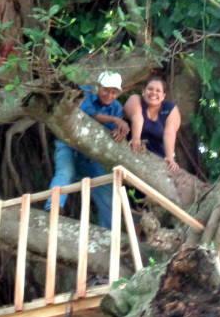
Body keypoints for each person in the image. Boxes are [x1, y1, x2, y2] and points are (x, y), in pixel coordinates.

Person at [45, 71, 129, 228]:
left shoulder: (116, 108)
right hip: (68, 145)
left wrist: (118, 132)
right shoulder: (84, 92)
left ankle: (110, 230)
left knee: (105, 186)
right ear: (98, 86)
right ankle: (53, 209)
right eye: (106, 90)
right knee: (65, 173)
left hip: (91, 155)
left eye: (114, 92)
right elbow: (87, 114)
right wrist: (114, 119)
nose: (109, 95)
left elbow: (110, 133)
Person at [124, 76, 181, 172]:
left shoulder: (170, 109)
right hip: (133, 150)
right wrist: (136, 139)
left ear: (163, 96)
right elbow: (137, 118)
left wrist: (170, 157)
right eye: (150, 89)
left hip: (157, 157)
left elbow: (169, 133)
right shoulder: (135, 99)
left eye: (158, 91)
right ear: (143, 91)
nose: (153, 93)